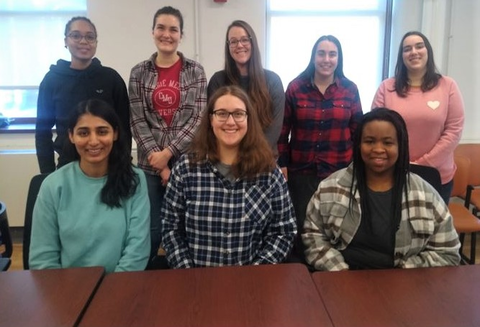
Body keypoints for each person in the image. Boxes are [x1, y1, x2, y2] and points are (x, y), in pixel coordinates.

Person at [303, 108, 461, 271]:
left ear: (401, 146)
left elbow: (447, 252)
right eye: (369, 141)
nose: (378, 149)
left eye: (388, 142)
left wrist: (405, 271)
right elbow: (313, 237)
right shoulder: (331, 187)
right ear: (358, 145)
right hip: (343, 278)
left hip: (404, 283)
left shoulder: (425, 194)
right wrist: (340, 271)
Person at [161, 85, 297, 268]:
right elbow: (171, 229)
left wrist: (255, 272)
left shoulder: (269, 172)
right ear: (211, 119)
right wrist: (188, 273)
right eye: (222, 113)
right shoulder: (186, 169)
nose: (231, 122)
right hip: (195, 282)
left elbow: (284, 232)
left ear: (248, 119)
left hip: (252, 284)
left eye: (238, 113)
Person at [29, 99, 150, 273]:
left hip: (120, 287)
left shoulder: (134, 179)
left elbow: (137, 252)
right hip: (68, 291)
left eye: (102, 131)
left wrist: (112, 293)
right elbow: (43, 259)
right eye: (83, 133)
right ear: (71, 136)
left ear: (115, 134)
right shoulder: (53, 186)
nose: (93, 141)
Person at [129, 6, 207, 263]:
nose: (167, 34)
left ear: (181, 35)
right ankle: (147, 277)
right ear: (153, 32)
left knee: (187, 228)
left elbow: (197, 119)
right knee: (150, 231)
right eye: (161, 28)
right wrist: (160, 162)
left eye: (173, 29)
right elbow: (138, 121)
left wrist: (169, 154)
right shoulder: (139, 72)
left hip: (187, 164)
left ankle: (186, 279)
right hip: (149, 166)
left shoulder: (195, 71)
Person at [277, 35, 363, 262]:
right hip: (301, 172)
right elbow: (283, 131)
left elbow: (358, 133)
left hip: (338, 172)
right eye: (321, 53)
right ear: (313, 57)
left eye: (332, 54)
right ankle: (302, 273)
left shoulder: (350, 89)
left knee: (332, 224)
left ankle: (330, 269)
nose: (326, 59)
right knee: (302, 225)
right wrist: (282, 164)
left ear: (339, 58)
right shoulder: (296, 88)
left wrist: (356, 168)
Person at [372, 31, 464, 204]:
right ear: (402, 57)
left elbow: (454, 131)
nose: (413, 52)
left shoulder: (448, 85)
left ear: (427, 51)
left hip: (436, 177)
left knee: (431, 229)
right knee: (392, 228)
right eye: (407, 49)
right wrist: (399, 163)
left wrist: (422, 164)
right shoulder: (386, 87)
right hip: (393, 173)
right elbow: (375, 129)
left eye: (419, 46)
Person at [36, 16, 131, 174]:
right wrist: (47, 174)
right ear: (66, 41)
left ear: (96, 43)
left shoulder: (111, 78)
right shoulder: (52, 80)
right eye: (76, 35)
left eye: (90, 36)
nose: (83, 41)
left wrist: (124, 165)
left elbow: (124, 129)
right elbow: (42, 132)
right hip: (68, 165)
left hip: (110, 166)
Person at [207, 20, 284, 154]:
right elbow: (214, 124)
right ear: (228, 46)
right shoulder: (218, 81)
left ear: (252, 43)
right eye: (233, 41)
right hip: (227, 158)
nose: (239, 45)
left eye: (244, 40)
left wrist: (251, 158)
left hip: (263, 158)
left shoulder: (273, 81)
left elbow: (274, 129)